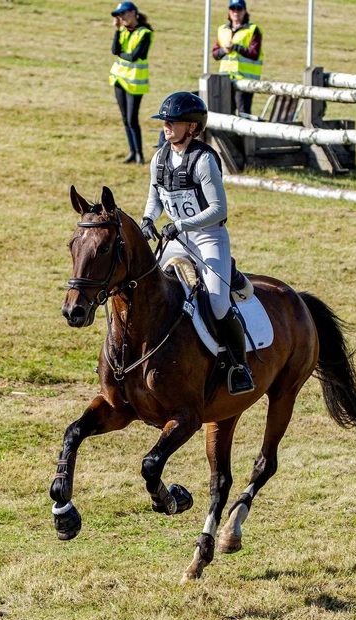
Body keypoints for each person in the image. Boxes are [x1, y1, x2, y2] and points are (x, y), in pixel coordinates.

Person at [140, 92, 254, 395]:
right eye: (164, 120)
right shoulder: (160, 157)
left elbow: (219, 210)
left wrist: (181, 225)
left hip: (208, 238)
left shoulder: (203, 160)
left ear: (192, 127)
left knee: (217, 303)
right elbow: (155, 199)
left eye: (173, 121)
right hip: (176, 238)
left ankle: (239, 365)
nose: (166, 125)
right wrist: (148, 219)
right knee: (149, 289)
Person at [109, 1, 153, 164]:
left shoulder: (145, 33)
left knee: (132, 119)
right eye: (120, 15)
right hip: (119, 79)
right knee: (125, 118)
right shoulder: (122, 31)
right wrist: (117, 31)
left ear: (134, 13)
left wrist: (121, 53)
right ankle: (132, 152)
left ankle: (139, 153)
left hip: (135, 82)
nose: (122, 17)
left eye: (125, 13)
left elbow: (136, 56)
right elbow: (114, 50)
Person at [211, 0, 263, 117]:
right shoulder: (222, 30)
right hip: (225, 79)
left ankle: (245, 136)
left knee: (243, 114)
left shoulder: (252, 30)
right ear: (229, 11)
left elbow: (254, 53)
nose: (235, 12)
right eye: (233, 9)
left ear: (244, 11)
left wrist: (235, 47)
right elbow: (215, 54)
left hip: (244, 81)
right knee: (226, 114)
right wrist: (224, 50)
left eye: (239, 9)